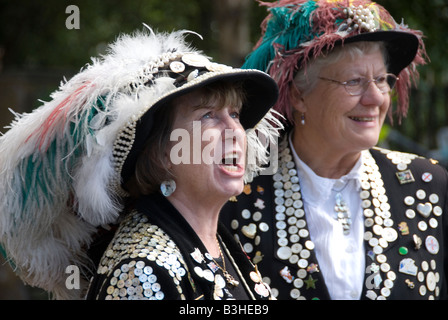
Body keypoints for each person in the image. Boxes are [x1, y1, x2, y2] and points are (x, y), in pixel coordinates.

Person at [0, 27, 282, 300]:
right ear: (161, 153)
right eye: (208, 115)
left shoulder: (217, 241)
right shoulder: (140, 271)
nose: (235, 129)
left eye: (234, 113)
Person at [221, 0, 448, 300]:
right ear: (299, 94)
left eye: (381, 80)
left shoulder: (428, 184)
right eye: (353, 81)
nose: (375, 98)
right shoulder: (236, 195)